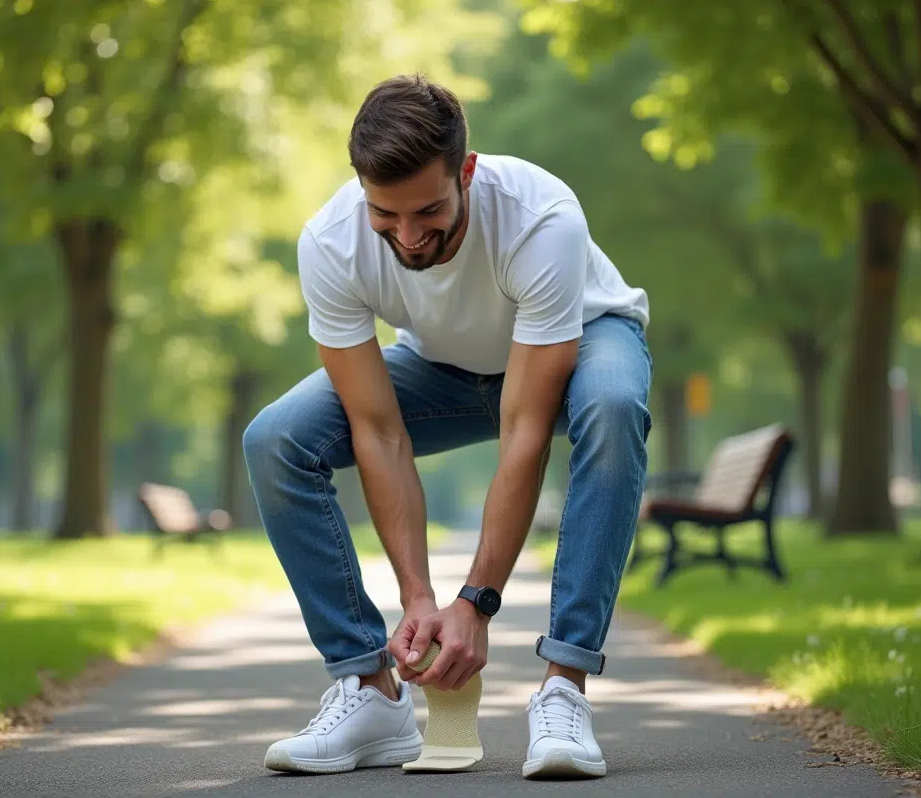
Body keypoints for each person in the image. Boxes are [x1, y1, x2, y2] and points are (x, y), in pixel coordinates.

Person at [243, 73, 652, 779]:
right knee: (277, 439)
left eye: (429, 210)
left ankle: (564, 688)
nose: (407, 237)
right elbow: (379, 434)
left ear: (466, 170)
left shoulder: (540, 217)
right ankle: (370, 691)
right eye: (385, 214)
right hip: (443, 368)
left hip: (580, 343)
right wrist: (420, 601)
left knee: (612, 408)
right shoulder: (331, 244)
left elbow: (524, 428)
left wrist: (476, 604)